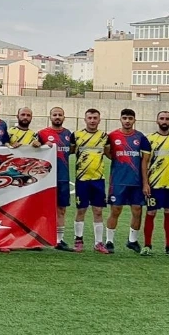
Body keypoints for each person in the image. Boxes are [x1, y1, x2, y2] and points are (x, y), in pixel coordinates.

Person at [104, 108, 151, 254]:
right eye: (124, 118)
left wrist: (145, 183)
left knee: (137, 210)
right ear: (120, 119)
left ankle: (132, 240)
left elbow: (145, 161)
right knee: (115, 210)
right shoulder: (112, 136)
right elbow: (108, 153)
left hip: (136, 181)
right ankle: (109, 241)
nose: (127, 121)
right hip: (118, 181)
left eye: (130, 118)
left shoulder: (140, 137)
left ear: (134, 120)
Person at [140, 111, 169, 256]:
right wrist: (145, 183)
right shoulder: (149, 139)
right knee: (151, 212)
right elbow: (144, 162)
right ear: (157, 121)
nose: (164, 121)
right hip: (154, 184)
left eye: (167, 119)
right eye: (162, 118)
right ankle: (147, 245)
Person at [72, 108, 109, 253]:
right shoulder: (76, 135)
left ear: (99, 120)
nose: (92, 121)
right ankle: (78, 240)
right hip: (82, 179)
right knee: (81, 210)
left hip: (98, 179)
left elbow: (109, 154)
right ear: (85, 119)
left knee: (98, 211)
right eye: (90, 118)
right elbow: (69, 151)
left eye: (95, 118)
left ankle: (98, 243)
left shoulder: (104, 136)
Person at [37, 107, 73, 251]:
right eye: (55, 115)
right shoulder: (42, 134)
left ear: (64, 117)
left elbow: (73, 150)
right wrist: (42, 146)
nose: (57, 117)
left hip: (63, 177)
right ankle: (39, 238)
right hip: (46, 178)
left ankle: (59, 240)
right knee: (42, 209)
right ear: (50, 117)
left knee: (61, 209)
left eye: (60, 115)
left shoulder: (68, 134)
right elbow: (35, 149)